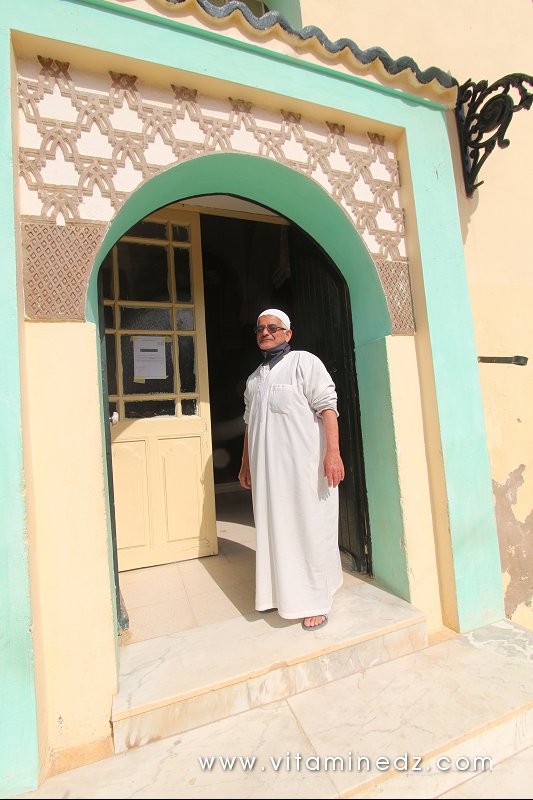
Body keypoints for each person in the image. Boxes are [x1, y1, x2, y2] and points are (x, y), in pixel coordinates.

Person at [238, 308, 345, 631]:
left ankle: (315, 601)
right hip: (269, 474)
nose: (265, 332)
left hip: (305, 470)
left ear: (288, 333)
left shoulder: (304, 362)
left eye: (273, 327)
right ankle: (277, 594)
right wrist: (245, 463)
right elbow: (249, 423)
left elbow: (328, 407)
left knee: (308, 527)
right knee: (274, 530)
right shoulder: (255, 379)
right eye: (260, 329)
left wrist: (334, 454)